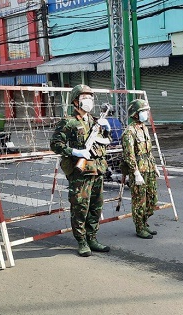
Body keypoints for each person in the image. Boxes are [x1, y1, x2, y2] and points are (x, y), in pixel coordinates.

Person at [50, 84, 111, 256]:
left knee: (95, 207)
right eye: (85, 98)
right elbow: (55, 144)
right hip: (81, 173)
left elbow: (104, 142)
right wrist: (75, 152)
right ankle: (82, 241)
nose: (89, 101)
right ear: (75, 101)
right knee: (80, 207)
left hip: (97, 170)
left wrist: (107, 131)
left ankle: (92, 238)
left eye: (90, 98)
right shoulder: (68, 122)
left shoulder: (94, 121)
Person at [121, 99, 160, 239]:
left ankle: (144, 223)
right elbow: (129, 155)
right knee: (139, 201)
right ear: (136, 114)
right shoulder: (129, 132)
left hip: (148, 167)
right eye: (143, 111)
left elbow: (148, 151)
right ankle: (139, 227)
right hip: (139, 170)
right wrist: (136, 173)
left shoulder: (144, 128)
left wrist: (154, 166)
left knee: (152, 200)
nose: (147, 113)